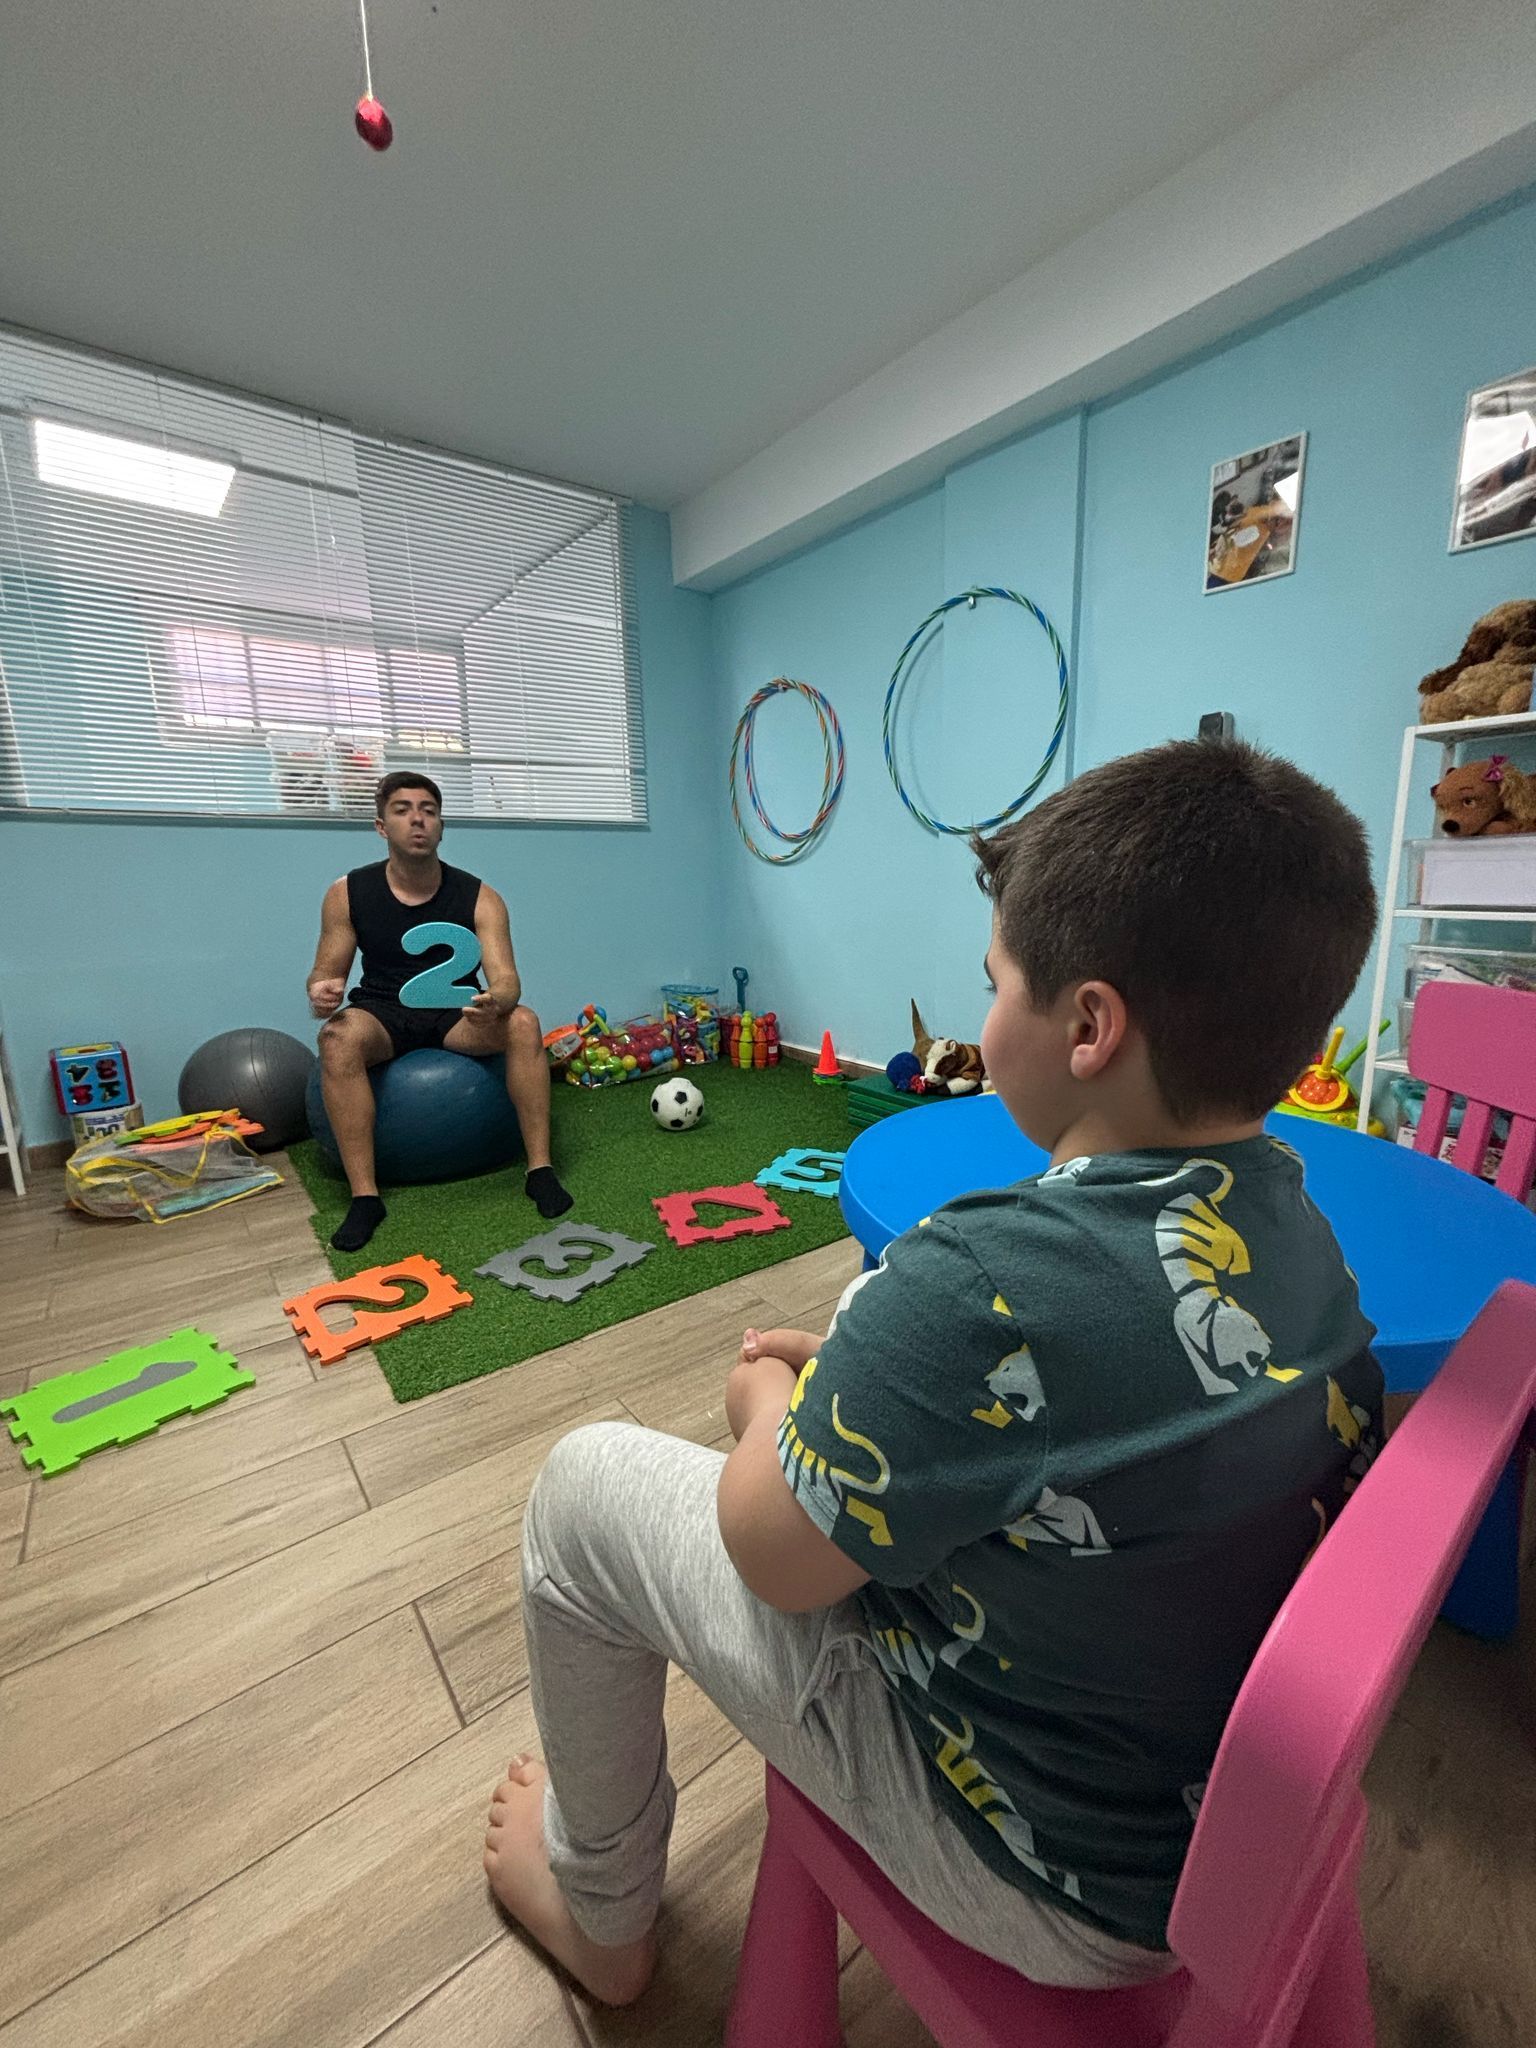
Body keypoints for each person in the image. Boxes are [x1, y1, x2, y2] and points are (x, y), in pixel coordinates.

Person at [480, 738, 1385, 2007]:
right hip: (1215, 1828)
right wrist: (869, 1376)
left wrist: (774, 1412)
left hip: (1045, 1873)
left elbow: (773, 1557)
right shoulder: (1302, 1227)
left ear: (1086, 1025)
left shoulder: (979, 1269)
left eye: (995, 981)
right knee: (868, 1313)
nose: (981, 1017)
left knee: (579, 1491)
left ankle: (601, 1911)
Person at [307, 771, 572, 1252]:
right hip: (382, 1011)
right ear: (381, 826)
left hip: (456, 1014)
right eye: (403, 809)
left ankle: (540, 1170)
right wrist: (322, 992)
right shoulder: (348, 893)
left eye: (428, 810)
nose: (417, 819)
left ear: (442, 826)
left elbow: (507, 979)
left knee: (525, 1023)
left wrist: (498, 1002)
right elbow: (326, 974)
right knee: (336, 1038)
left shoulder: (480, 896)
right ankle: (365, 1197)